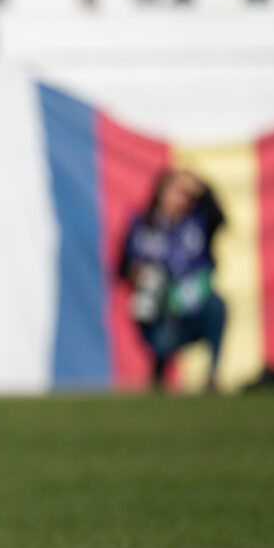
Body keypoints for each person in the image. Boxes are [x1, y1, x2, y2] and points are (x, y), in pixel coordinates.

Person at [118, 167, 226, 392]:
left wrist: (200, 186)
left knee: (216, 305)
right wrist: (141, 275)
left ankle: (213, 374)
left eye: (185, 194)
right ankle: (157, 371)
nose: (180, 199)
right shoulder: (143, 224)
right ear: (161, 192)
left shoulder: (196, 221)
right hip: (158, 307)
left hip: (192, 302)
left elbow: (219, 217)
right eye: (175, 192)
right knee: (162, 335)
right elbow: (123, 267)